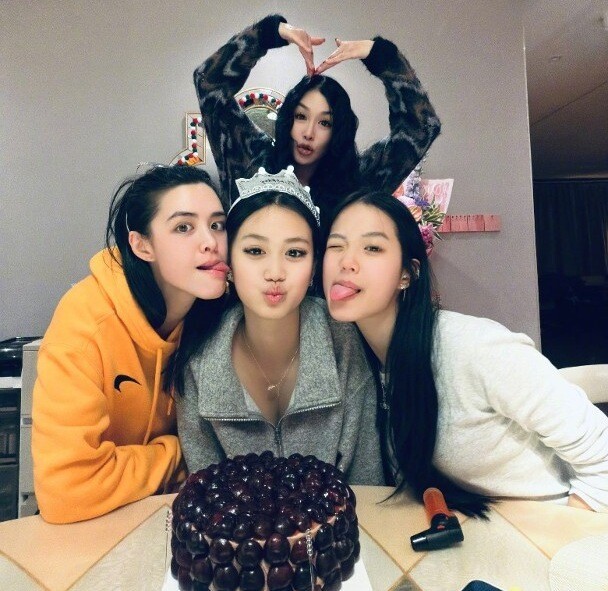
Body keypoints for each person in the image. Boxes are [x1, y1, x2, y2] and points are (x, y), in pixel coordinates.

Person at [323, 189, 608, 515]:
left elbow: (602, 453)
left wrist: (563, 535)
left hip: (553, 523)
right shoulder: (359, 360)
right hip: (475, 529)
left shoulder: (474, 347)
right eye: (336, 245)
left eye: (372, 247)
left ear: (407, 274)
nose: (346, 262)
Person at [32, 165, 229, 523]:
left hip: (179, 522)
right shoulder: (86, 323)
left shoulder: (217, 317)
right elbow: (65, 489)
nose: (211, 242)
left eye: (217, 224)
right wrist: (180, 452)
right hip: (91, 530)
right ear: (142, 245)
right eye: (183, 227)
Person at [176, 167, 383, 485]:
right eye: (255, 251)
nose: (275, 272)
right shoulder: (198, 354)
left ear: (314, 267)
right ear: (229, 263)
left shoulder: (343, 339)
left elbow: (366, 481)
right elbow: (205, 492)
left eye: (294, 253)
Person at [193, 14, 441, 221]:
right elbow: (208, 84)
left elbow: (422, 128)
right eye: (301, 116)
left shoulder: (357, 181)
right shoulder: (251, 159)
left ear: (337, 131)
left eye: (324, 122)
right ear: (288, 119)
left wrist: (381, 56)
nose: (308, 132)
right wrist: (267, 34)